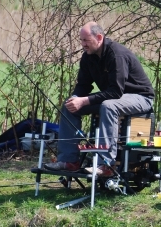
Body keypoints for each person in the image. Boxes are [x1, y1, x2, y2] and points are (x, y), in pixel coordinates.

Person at [44, 22, 155, 176]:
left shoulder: (116, 54)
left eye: (86, 40)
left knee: (108, 106)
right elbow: (83, 85)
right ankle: (69, 161)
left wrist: (84, 101)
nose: (83, 44)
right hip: (115, 98)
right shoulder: (88, 57)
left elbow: (115, 91)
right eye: (81, 40)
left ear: (99, 37)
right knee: (68, 106)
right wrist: (75, 99)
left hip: (141, 98)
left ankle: (106, 165)